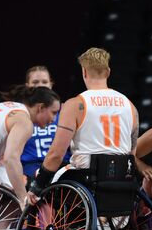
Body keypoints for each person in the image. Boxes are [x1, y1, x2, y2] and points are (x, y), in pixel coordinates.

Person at [27, 47, 138, 205]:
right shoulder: (130, 106)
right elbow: (132, 153)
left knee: (41, 178)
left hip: (85, 180)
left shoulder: (75, 104)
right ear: (108, 72)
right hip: (121, 180)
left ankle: (48, 228)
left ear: (84, 72)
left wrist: (37, 186)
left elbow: (56, 154)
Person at [21, 66, 71, 180]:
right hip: (30, 168)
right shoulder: (20, 113)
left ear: (51, 84)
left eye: (44, 82)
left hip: (60, 165)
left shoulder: (64, 111)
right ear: (27, 85)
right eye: (35, 82)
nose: (40, 85)